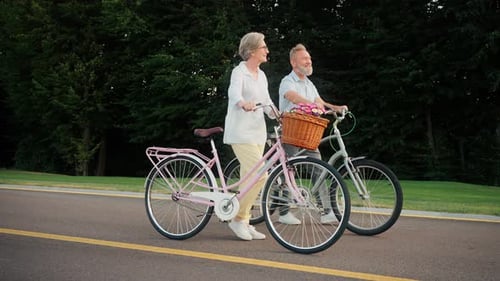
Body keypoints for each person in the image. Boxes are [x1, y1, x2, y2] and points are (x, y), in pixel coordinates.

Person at [278, 43, 348, 225]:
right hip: (291, 131)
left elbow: (320, 102)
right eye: (305, 59)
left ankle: (326, 211)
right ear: (294, 63)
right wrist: (310, 104)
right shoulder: (288, 81)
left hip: (307, 132)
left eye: (309, 59)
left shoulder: (309, 84)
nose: (309, 61)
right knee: (289, 169)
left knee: (319, 167)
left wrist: (335, 108)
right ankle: (284, 212)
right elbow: (292, 96)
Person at [223, 32, 276, 241]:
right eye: (264, 47)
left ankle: (244, 221)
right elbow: (233, 93)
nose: (267, 50)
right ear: (252, 51)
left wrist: (278, 114)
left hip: (257, 133)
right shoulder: (239, 72)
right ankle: (237, 219)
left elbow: (267, 101)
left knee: (248, 180)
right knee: (260, 175)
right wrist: (243, 103)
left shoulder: (261, 75)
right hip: (240, 131)